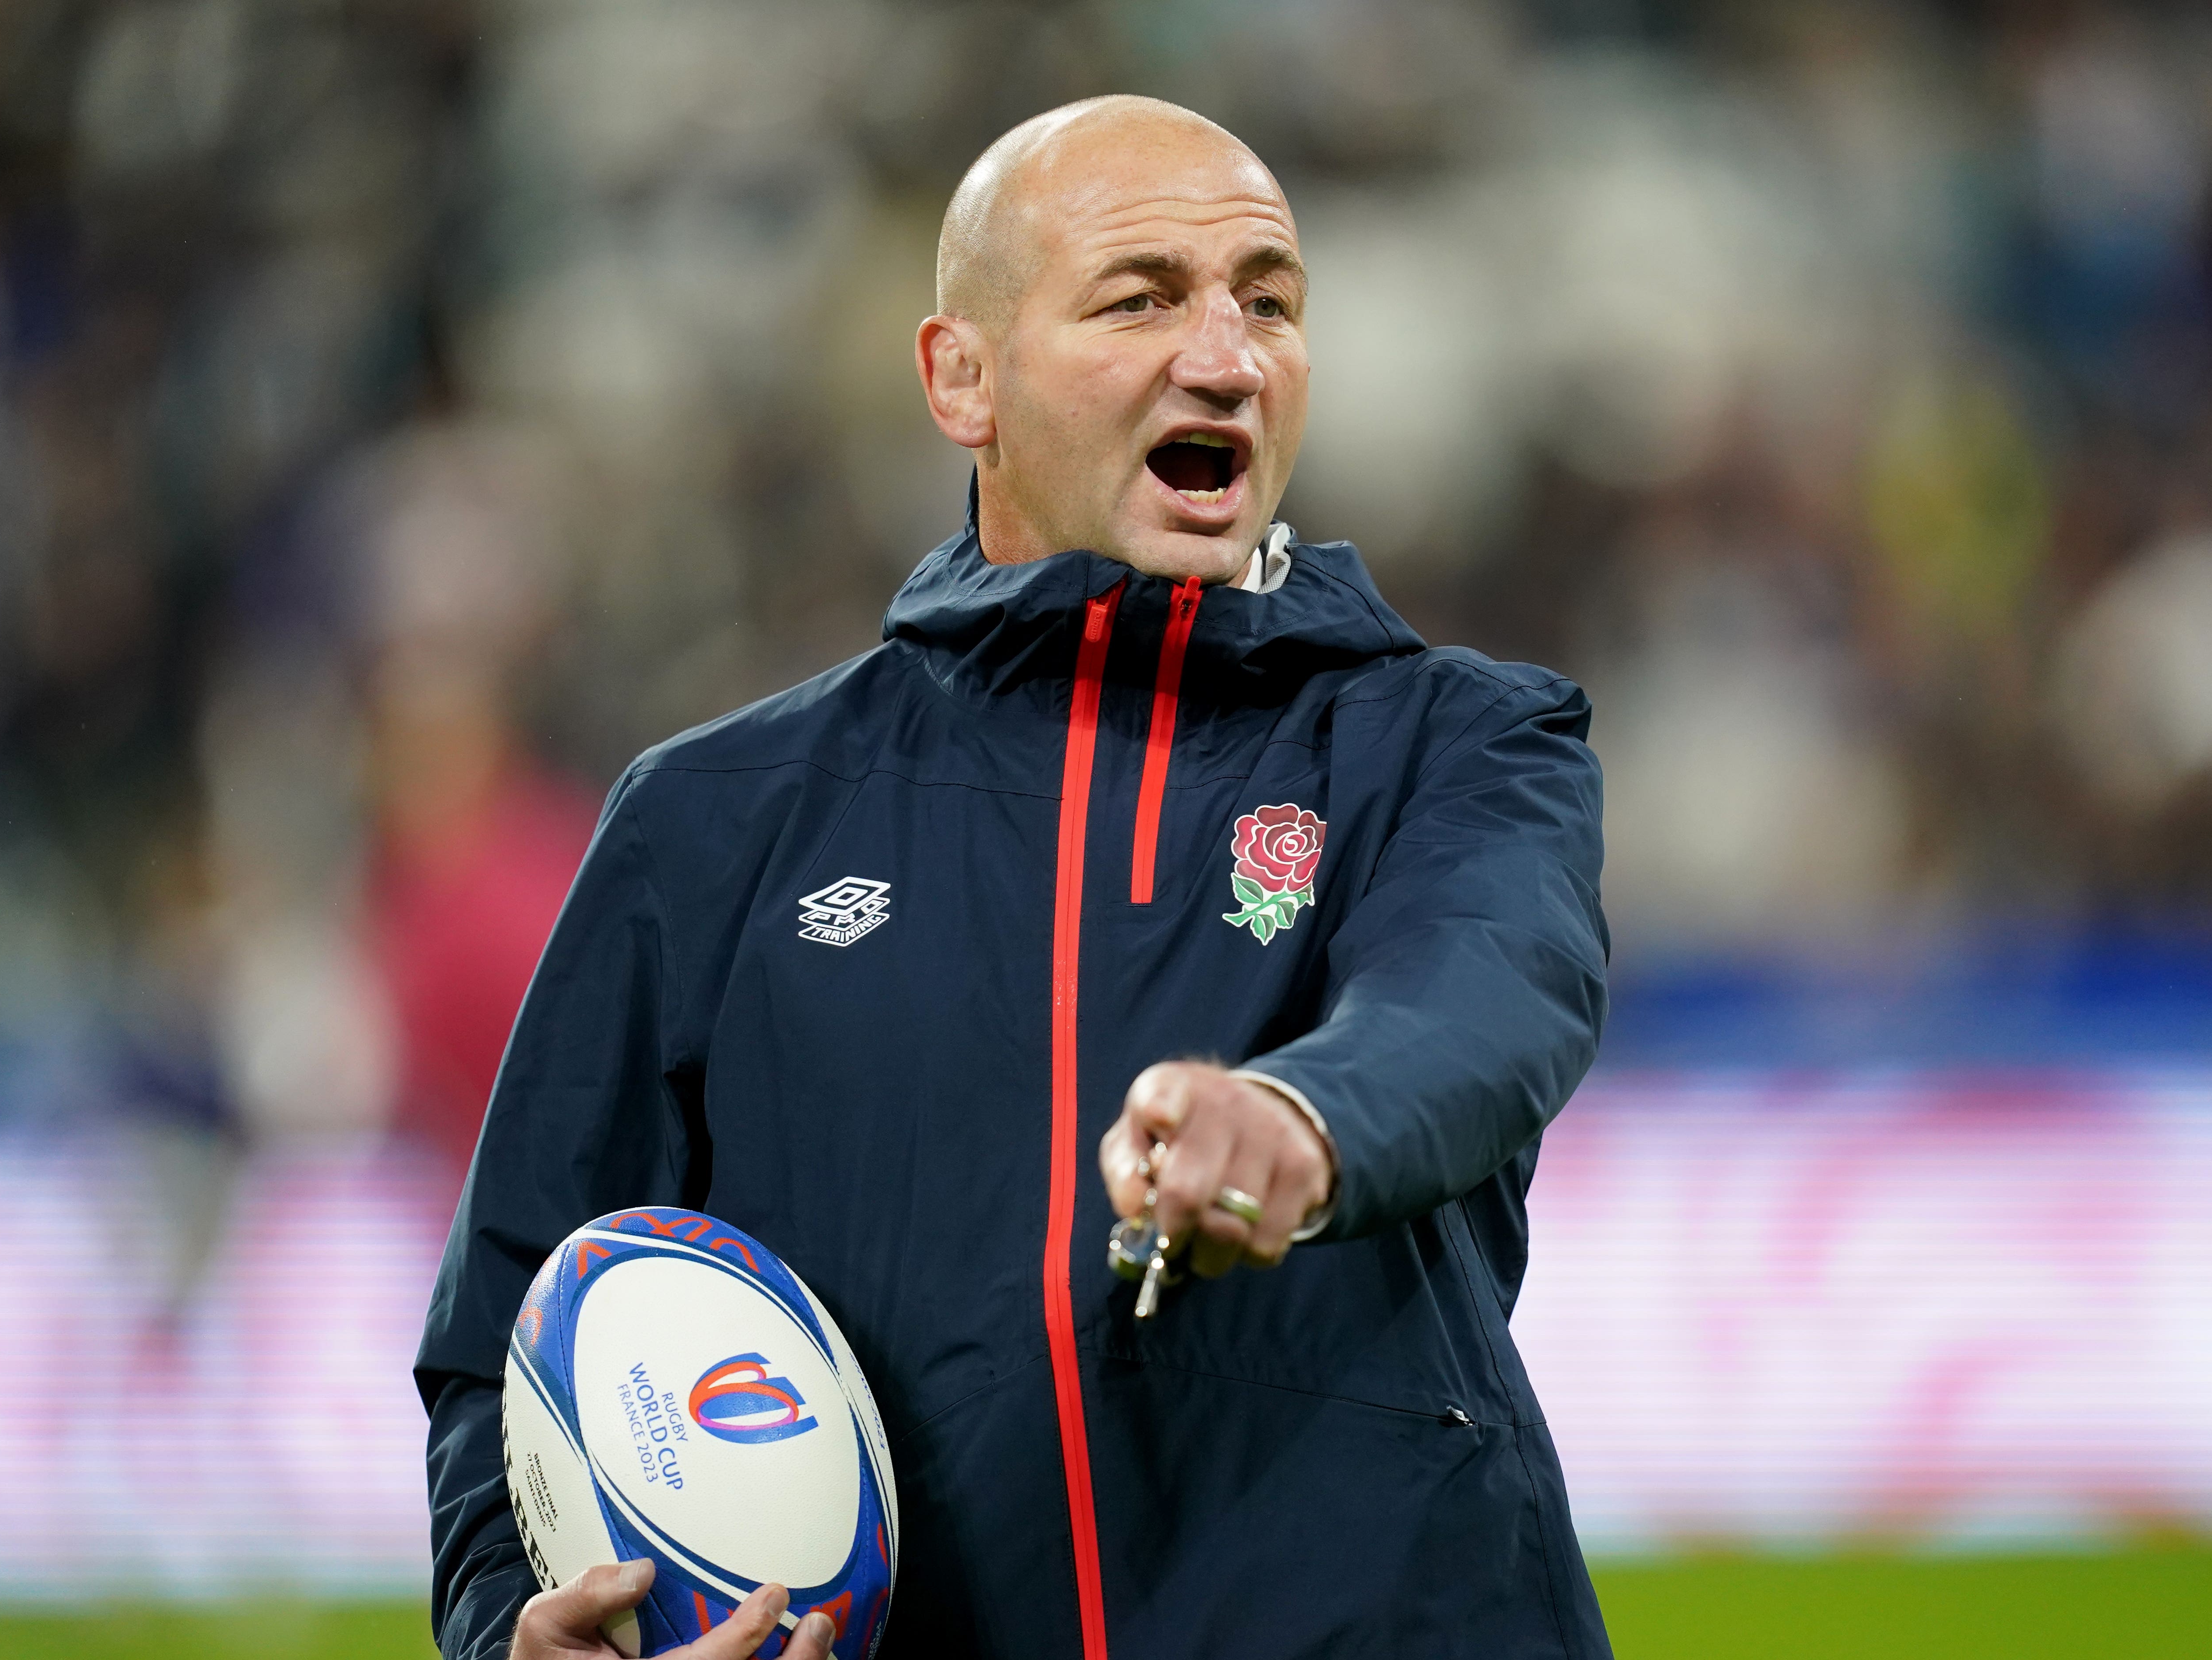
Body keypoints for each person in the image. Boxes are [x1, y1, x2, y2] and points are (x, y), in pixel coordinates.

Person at [418, 95, 1611, 1660]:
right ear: (960, 377)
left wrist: (1305, 1119)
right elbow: (513, 1323)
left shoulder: (1459, 738)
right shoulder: (715, 819)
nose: (1228, 356)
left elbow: (1486, 992)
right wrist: (518, 1624)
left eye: (1269, 300)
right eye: (1143, 298)